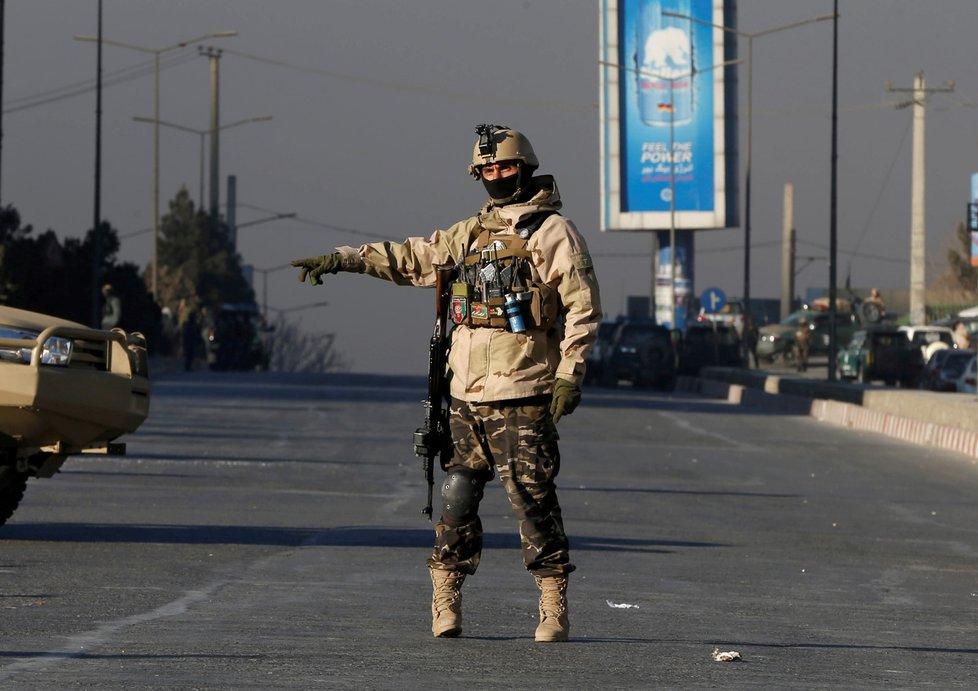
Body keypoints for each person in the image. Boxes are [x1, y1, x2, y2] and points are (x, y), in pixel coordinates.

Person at [291, 124, 602, 642]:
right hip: (464, 394)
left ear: (524, 168)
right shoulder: (471, 233)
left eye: (504, 168)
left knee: (532, 498)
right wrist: (344, 259)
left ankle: (552, 605)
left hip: (522, 391)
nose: (496, 177)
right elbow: (414, 257)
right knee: (457, 495)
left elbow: (582, 308)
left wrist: (571, 372)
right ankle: (446, 598)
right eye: (486, 170)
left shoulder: (554, 233)